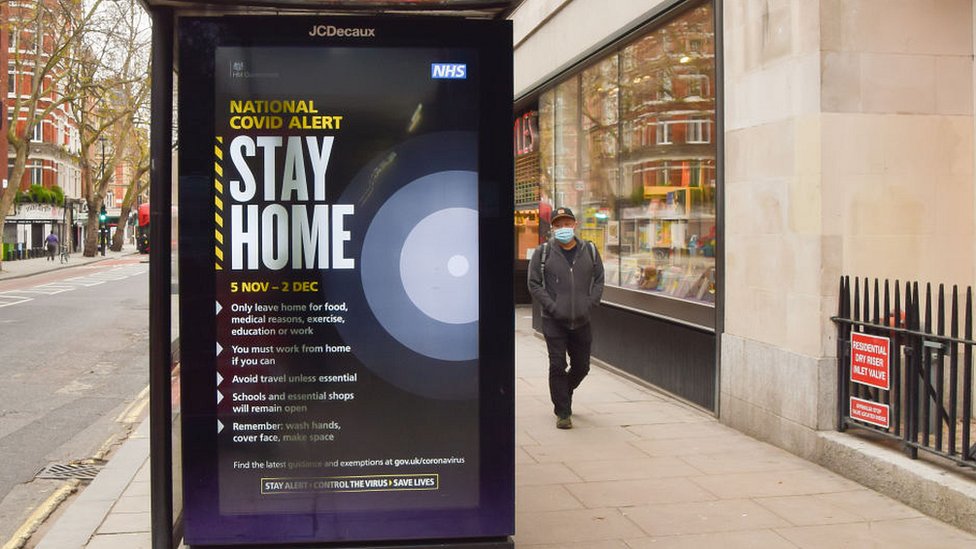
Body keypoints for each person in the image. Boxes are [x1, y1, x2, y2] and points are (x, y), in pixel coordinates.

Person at [527, 207, 604, 429]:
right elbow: (534, 283)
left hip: (582, 319)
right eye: (558, 225)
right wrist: (552, 306)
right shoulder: (543, 253)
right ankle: (563, 411)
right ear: (552, 228)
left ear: (575, 225)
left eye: (567, 224)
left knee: (582, 366)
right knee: (557, 365)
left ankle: (565, 390)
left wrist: (590, 303)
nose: (563, 229)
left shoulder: (589, 250)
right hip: (554, 321)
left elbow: (599, 279)